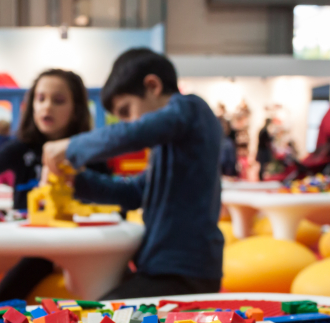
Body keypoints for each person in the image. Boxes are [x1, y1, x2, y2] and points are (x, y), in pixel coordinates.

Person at [42, 48, 224, 300]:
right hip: (163, 268)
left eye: (127, 111)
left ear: (153, 86)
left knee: (99, 317)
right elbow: (135, 192)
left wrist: (72, 147)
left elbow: (136, 132)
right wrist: (78, 181)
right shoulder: (169, 145)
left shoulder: (191, 109)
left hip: (184, 273)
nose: (129, 123)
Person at [0, 69, 104, 302]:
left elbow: (111, 195)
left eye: (59, 100)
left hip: (82, 246)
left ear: (76, 109)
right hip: (37, 248)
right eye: (40, 98)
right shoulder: (23, 147)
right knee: (2, 300)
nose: (47, 107)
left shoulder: (90, 151)